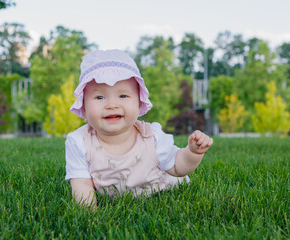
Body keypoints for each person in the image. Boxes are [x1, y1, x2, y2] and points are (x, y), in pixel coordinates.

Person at [65, 49, 213, 208]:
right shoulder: (79, 141)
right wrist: (89, 216)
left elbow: (177, 167)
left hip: (159, 191)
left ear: (139, 103)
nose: (112, 105)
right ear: (84, 106)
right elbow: (82, 184)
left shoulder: (151, 136)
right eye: (100, 97)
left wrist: (192, 153)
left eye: (123, 96)